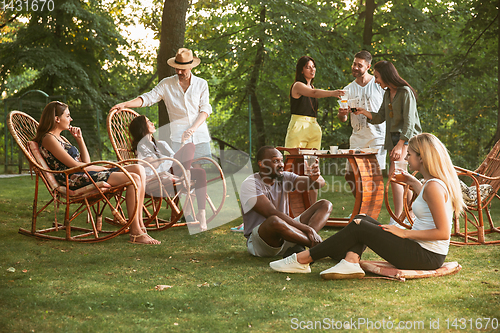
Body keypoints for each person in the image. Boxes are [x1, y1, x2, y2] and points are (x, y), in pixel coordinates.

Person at [270, 133, 464, 279]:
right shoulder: (432, 185)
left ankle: (302, 259)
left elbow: (443, 233)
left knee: (359, 226)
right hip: (420, 250)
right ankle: (351, 261)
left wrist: (404, 233)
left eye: (410, 154)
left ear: (422, 158)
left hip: (425, 256)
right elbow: (429, 204)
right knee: (360, 218)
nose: (406, 159)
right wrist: (413, 182)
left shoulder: (434, 187)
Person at [33, 101, 160, 245]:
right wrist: (104, 168)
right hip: (73, 179)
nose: (71, 119)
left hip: (83, 174)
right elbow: (75, 166)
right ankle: (135, 231)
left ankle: (141, 226)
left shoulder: (62, 139)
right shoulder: (49, 139)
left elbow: (85, 162)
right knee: (134, 178)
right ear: (57, 119)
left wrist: (80, 140)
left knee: (138, 169)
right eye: (68, 116)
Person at [110, 48, 212, 164]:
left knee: (198, 172)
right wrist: (125, 104)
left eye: (182, 69)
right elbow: (148, 98)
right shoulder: (166, 84)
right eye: (176, 68)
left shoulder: (201, 84)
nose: (178, 72)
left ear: (191, 66)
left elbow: (205, 110)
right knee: (181, 171)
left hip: (200, 135)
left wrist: (193, 128)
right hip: (179, 138)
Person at [353, 60, 422, 225]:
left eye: (377, 77)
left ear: (385, 75)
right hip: (393, 139)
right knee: (401, 177)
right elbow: (379, 117)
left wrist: (401, 144)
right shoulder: (387, 93)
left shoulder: (405, 92)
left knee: (395, 176)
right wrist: (364, 112)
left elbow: (410, 122)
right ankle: (409, 215)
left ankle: (399, 217)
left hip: (407, 139)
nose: (376, 80)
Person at [239, 146, 332, 258]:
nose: (281, 165)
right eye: (275, 161)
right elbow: (271, 213)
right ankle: (322, 247)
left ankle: (299, 245)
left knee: (325, 204)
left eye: (281, 160)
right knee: (274, 220)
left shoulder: (284, 177)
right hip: (262, 242)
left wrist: (316, 177)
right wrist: (309, 230)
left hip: (287, 233)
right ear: (262, 164)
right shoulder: (250, 184)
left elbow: (319, 184)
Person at [128, 115, 208, 231]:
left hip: (174, 169)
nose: (152, 123)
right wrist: (161, 160)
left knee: (200, 172)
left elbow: (175, 158)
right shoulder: (142, 146)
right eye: (148, 122)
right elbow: (150, 165)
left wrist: (182, 143)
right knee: (190, 147)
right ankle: (187, 173)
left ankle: (202, 213)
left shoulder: (162, 144)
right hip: (161, 175)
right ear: (142, 127)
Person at [337, 51, 386, 197]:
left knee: (373, 177)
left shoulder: (379, 85)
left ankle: (370, 213)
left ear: (368, 66)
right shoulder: (347, 89)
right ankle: (362, 209)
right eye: (354, 64)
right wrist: (342, 114)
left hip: (377, 136)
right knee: (350, 175)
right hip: (357, 138)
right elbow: (343, 119)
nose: (355, 67)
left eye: (360, 65)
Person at [284, 55, 345, 150]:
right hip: (299, 125)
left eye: (313, 66)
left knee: (312, 161)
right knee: (295, 160)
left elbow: (314, 92)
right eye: (308, 67)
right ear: (301, 70)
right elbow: (314, 93)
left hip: (313, 125)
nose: (312, 69)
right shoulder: (297, 85)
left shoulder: (312, 87)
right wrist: (332, 93)